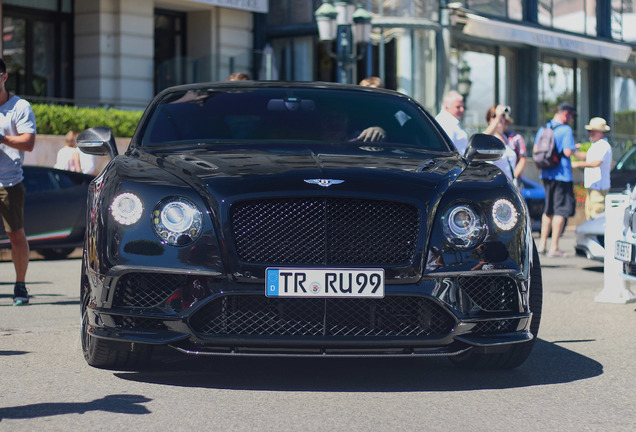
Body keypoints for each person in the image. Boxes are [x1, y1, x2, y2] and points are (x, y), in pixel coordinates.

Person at [0, 58, 37, 305]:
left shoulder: (19, 107)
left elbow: (29, 142)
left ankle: (20, 286)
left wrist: (2, 138)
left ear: (3, 77)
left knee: (15, 235)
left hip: (9, 183)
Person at [536, 102, 577, 257]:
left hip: (546, 174)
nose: (572, 119)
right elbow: (567, 152)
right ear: (566, 113)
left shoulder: (544, 128)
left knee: (548, 210)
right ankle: (554, 247)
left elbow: (535, 150)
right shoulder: (566, 130)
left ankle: (542, 245)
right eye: (572, 115)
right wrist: (575, 149)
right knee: (560, 211)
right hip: (562, 175)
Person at [571, 117, 613, 220]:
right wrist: (573, 152)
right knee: (590, 214)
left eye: (592, 131)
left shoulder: (603, 145)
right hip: (593, 186)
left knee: (596, 214)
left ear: (600, 132)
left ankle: (597, 236)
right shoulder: (597, 145)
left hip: (599, 187)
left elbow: (596, 163)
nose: (589, 134)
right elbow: (587, 156)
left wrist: (577, 164)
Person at [483, 105, 527, 183]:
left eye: (502, 116)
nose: (500, 118)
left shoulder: (509, 138)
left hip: (508, 185)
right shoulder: (489, 137)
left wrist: (514, 176)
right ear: (489, 120)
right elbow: (483, 139)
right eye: (494, 116)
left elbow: (522, 158)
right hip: (493, 184)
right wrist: (498, 117)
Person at [436, 90, 468, 155]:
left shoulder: (451, 121)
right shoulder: (445, 122)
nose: (462, 110)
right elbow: (447, 151)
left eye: (462, 107)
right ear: (446, 107)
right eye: (458, 107)